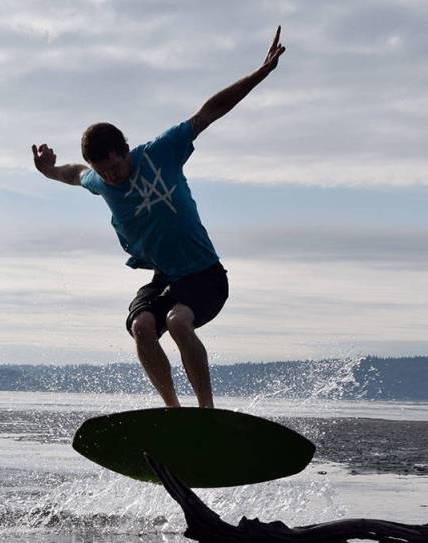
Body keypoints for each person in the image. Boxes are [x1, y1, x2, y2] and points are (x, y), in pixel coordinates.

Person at [32, 28, 286, 409]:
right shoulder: (99, 181)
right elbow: (72, 173)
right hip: (165, 278)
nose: (113, 177)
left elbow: (209, 112)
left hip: (206, 276)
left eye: (116, 167)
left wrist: (261, 72)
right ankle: (173, 412)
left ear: (126, 150)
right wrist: (48, 171)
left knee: (178, 323)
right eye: (104, 173)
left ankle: (206, 412)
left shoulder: (162, 151)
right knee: (142, 327)